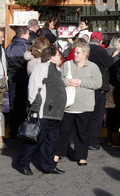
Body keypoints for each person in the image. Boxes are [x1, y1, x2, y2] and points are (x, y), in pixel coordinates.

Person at [16, 45, 67, 175]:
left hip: (55, 113)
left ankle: (49, 166)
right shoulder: (41, 68)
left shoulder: (57, 70)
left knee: (51, 141)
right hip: (43, 111)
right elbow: (33, 87)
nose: (60, 57)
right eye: (57, 55)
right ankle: (23, 162)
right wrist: (34, 106)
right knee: (36, 139)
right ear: (51, 57)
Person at [54, 42, 102, 165]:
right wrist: (67, 82)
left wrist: (81, 81)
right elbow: (58, 79)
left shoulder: (93, 67)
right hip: (68, 105)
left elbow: (98, 83)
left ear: (85, 54)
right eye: (75, 52)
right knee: (64, 131)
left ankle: (81, 156)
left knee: (83, 133)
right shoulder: (67, 65)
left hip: (85, 105)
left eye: (78, 52)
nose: (75, 54)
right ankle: (58, 153)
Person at [88, 31, 114, 150]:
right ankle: (92, 141)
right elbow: (110, 63)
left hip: (85, 85)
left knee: (86, 114)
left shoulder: (84, 49)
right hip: (98, 86)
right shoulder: (99, 50)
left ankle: (85, 139)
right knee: (97, 115)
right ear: (100, 40)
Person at [5, 26, 31, 139]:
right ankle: (25, 129)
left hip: (13, 79)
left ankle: (13, 130)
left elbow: (6, 65)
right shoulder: (28, 47)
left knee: (14, 105)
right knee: (26, 103)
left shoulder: (9, 47)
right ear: (24, 35)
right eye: (28, 33)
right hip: (25, 79)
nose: (29, 35)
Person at [106, 38, 120, 147]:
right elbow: (119, 76)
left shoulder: (112, 56)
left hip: (110, 88)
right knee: (116, 114)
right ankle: (115, 139)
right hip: (117, 89)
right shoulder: (119, 58)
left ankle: (110, 138)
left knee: (111, 114)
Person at [0, 28, 8, 148]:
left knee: (1, 112)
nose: (2, 40)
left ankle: (0, 140)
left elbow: (4, 65)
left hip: (2, 81)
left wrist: (6, 81)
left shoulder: (1, 49)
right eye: (0, 37)